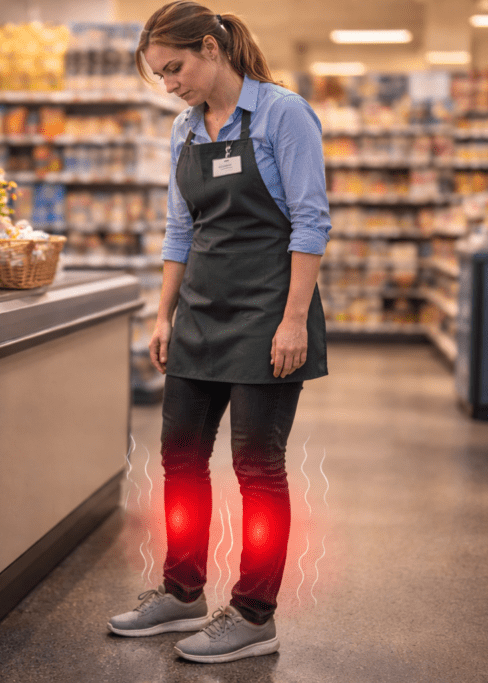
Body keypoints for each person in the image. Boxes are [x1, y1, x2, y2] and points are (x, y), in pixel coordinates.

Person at [107, 1, 330, 664]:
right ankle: (181, 590)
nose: (170, 83)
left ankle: (256, 613)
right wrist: (163, 313)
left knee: (257, 467)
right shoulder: (186, 129)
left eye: (175, 68)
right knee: (179, 457)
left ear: (211, 48)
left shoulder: (282, 114)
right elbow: (182, 230)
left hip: (268, 313)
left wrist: (293, 319)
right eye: (160, 75)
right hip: (200, 313)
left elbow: (311, 222)